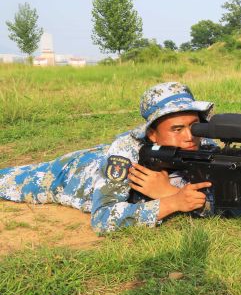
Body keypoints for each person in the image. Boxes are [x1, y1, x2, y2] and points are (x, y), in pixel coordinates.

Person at [0, 82, 217, 232]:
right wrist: (171, 202)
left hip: (101, 154)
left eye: (194, 126)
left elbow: (223, 201)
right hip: (73, 173)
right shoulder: (126, 152)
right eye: (176, 129)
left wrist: (171, 192)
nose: (190, 137)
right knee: (10, 179)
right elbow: (103, 218)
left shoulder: (203, 143)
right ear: (152, 133)